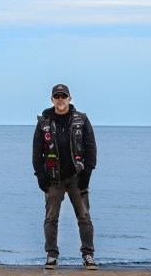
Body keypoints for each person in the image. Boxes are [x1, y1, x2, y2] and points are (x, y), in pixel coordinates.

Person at [32, 83, 98, 270]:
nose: (60, 99)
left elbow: (91, 148)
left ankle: (88, 255)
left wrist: (87, 173)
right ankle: (51, 255)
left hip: (78, 177)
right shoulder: (43, 122)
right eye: (57, 96)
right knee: (51, 218)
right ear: (52, 99)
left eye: (63, 96)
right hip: (53, 179)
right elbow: (37, 151)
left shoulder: (82, 119)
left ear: (70, 98)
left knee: (84, 217)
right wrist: (40, 175)